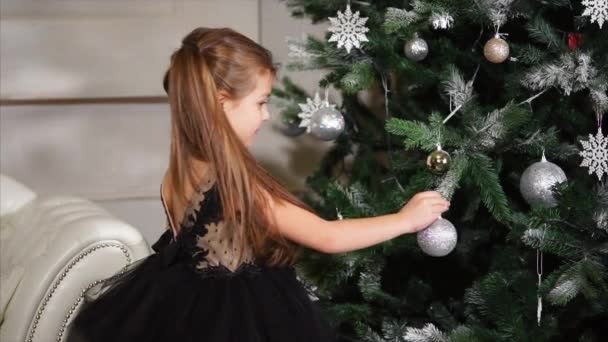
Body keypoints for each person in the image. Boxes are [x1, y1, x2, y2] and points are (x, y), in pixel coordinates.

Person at [65, 27, 450, 342]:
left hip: (184, 310)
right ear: (220, 102)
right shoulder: (233, 184)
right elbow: (326, 237)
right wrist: (405, 220)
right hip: (238, 318)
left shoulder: (180, 170)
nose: (266, 116)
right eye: (261, 102)